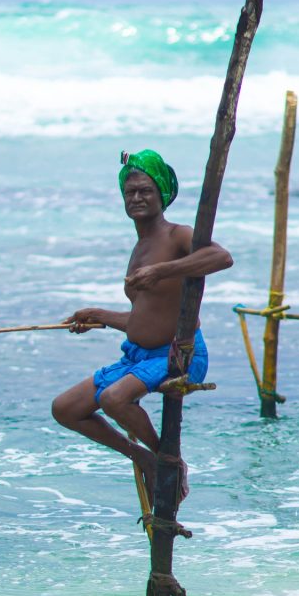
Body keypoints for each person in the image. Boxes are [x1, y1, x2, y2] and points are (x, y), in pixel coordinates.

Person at [51, 149, 233, 502]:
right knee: (65, 408)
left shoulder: (178, 235)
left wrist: (161, 271)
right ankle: (144, 457)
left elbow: (221, 257)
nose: (136, 198)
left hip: (177, 355)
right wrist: (99, 315)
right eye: (130, 192)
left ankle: (168, 460)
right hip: (138, 356)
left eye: (145, 191)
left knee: (114, 398)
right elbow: (147, 318)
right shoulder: (141, 246)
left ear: (161, 194)